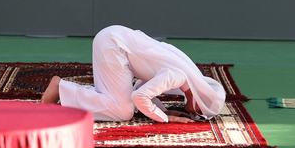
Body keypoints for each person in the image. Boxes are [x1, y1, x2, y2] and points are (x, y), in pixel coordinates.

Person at [41, 25, 226, 123]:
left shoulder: (185, 75)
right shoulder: (178, 75)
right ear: (199, 101)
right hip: (114, 46)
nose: (193, 114)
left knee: (118, 101)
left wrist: (161, 109)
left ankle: (66, 91)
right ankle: (60, 88)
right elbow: (139, 96)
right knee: (123, 111)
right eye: (200, 113)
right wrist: (164, 118)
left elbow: (139, 86)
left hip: (114, 41)